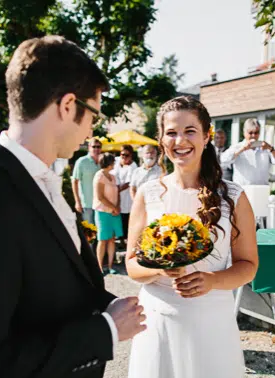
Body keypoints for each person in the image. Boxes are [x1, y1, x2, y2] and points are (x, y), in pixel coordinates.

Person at [0, 36, 145, 378]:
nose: (92, 130)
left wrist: (107, 305)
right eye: (94, 117)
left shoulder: (44, 180)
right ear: (68, 105)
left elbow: (56, 284)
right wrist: (106, 331)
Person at [125, 96, 258, 377]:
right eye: (171, 133)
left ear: (207, 136)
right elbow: (131, 266)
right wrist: (160, 266)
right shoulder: (148, 194)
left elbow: (248, 266)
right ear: (160, 139)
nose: (180, 141)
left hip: (211, 322)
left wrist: (213, 280)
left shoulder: (233, 197)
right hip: (157, 319)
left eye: (190, 131)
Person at [220, 118, 275, 185]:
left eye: (256, 133)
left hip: (261, 189)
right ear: (244, 132)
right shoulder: (237, 147)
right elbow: (224, 159)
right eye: (250, 133)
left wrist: (271, 148)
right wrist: (242, 149)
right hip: (243, 189)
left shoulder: (266, 147)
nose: (253, 136)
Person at [94, 152, 123, 275]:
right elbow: (100, 197)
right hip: (103, 212)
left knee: (111, 239)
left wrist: (117, 207)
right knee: (102, 240)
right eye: (113, 161)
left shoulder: (113, 177)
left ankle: (110, 266)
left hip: (114, 212)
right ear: (109, 163)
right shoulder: (99, 176)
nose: (115, 163)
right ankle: (100, 268)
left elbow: (117, 193)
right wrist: (113, 207)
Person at [112, 144, 138, 245]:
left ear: (131, 155)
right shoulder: (116, 161)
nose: (124, 157)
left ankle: (126, 241)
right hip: (115, 196)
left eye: (127, 155)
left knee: (125, 219)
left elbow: (128, 183)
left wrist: (116, 190)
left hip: (126, 197)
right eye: (122, 154)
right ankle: (119, 239)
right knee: (116, 218)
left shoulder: (133, 166)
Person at [73, 137, 103, 224]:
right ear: (89, 147)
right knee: (89, 232)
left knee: (100, 233)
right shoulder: (81, 161)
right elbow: (74, 182)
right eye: (94, 146)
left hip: (101, 203)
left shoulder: (103, 161)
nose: (96, 149)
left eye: (98, 147)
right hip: (87, 203)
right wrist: (77, 202)